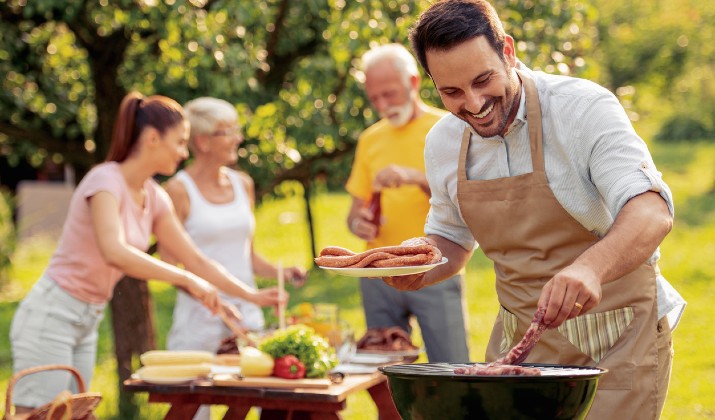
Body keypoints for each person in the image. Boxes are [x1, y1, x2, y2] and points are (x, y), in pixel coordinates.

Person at [381, 1, 687, 418]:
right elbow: (451, 240)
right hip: (520, 342)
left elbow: (651, 211)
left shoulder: (582, 108)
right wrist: (415, 269)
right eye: (451, 92)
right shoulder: (443, 143)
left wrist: (589, 269)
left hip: (617, 340)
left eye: (482, 80)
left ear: (507, 51)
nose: (473, 104)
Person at [9, 92, 286, 414]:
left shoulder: (154, 196)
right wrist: (189, 280)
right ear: (153, 138)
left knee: (74, 413)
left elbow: (195, 258)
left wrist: (250, 296)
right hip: (52, 313)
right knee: (38, 413)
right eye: (180, 142)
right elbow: (115, 251)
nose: (184, 153)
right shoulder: (105, 181)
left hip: (88, 317)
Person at [346, 43, 470, 363]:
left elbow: (466, 201)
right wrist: (358, 221)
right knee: (386, 369)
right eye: (375, 98)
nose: (383, 104)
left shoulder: (449, 128)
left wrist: (415, 177)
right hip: (378, 274)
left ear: (413, 82)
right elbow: (355, 211)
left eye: (389, 94)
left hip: (437, 266)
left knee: (450, 366)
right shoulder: (370, 139)